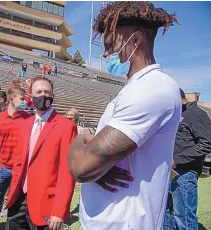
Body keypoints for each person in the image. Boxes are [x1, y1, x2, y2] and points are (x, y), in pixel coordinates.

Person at [67, 2, 181, 230]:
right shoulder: (133, 88)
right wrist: (95, 164)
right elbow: (90, 166)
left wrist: (80, 141)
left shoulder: (152, 88)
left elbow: (82, 167)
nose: (106, 53)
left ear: (136, 40)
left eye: (110, 45)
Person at [5, 76, 77, 230]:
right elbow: (20, 163)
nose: (43, 95)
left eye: (47, 92)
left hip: (45, 204)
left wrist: (59, 211)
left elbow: (67, 172)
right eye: (39, 92)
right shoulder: (25, 125)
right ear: (31, 96)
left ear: (52, 96)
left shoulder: (66, 127)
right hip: (18, 201)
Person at [164, 89, 211, 230]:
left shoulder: (196, 114)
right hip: (169, 173)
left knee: (184, 217)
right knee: (167, 215)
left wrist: (177, 159)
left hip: (185, 173)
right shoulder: (177, 115)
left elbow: (207, 143)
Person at [0, 86, 31, 230]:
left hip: (22, 171)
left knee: (17, 205)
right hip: (3, 169)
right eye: (22, 99)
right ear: (11, 99)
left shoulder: (28, 118)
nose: (25, 102)